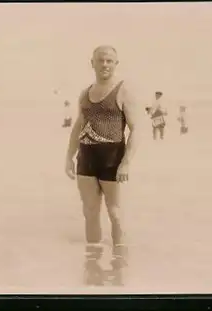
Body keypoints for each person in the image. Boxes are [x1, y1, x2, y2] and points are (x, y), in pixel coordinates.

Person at [64, 45, 139, 286]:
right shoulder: (85, 93)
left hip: (111, 158)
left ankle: (120, 265)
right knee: (89, 212)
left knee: (115, 212)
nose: (105, 64)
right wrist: (68, 155)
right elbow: (78, 125)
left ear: (116, 63)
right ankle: (92, 262)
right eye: (100, 60)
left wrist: (126, 163)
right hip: (86, 157)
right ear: (92, 63)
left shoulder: (123, 90)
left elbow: (136, 130)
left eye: (109, 61)